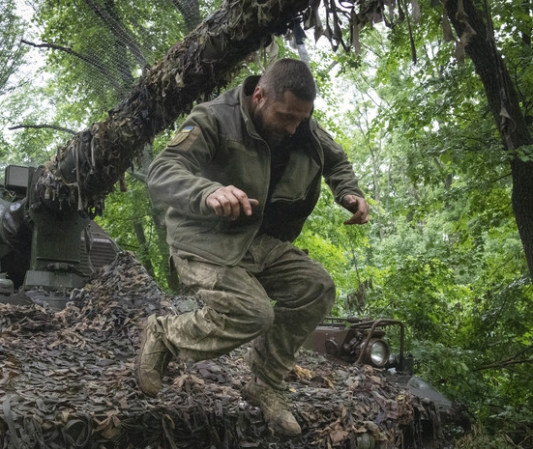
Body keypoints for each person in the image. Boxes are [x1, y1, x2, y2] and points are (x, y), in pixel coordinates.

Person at [138, 58, 369, 436]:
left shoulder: (302, 125)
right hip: (203, 239)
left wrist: (349, 192)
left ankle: (265, 382)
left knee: (316, 287)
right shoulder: (214, 118)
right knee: (254, 313)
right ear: (259, 96)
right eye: (286, 116)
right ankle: (164, 333)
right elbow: (162, 172)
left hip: (260, 240)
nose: (293, 127)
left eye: (301, 118)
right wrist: (207, 192)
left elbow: (336, 159)